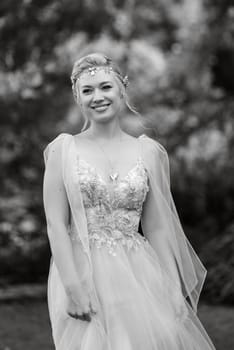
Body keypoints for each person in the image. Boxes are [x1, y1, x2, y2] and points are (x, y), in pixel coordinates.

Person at [43, 52, 216, 350]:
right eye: (87, 90)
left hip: (140, 275)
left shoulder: (148, 152)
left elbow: (157, 228)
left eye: (105, 87)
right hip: (83, 272)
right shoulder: (63, 150)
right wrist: (73, 288)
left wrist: (173, 289)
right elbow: (55, 225)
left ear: (122, 89)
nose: (98, 96)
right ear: (78, 98)